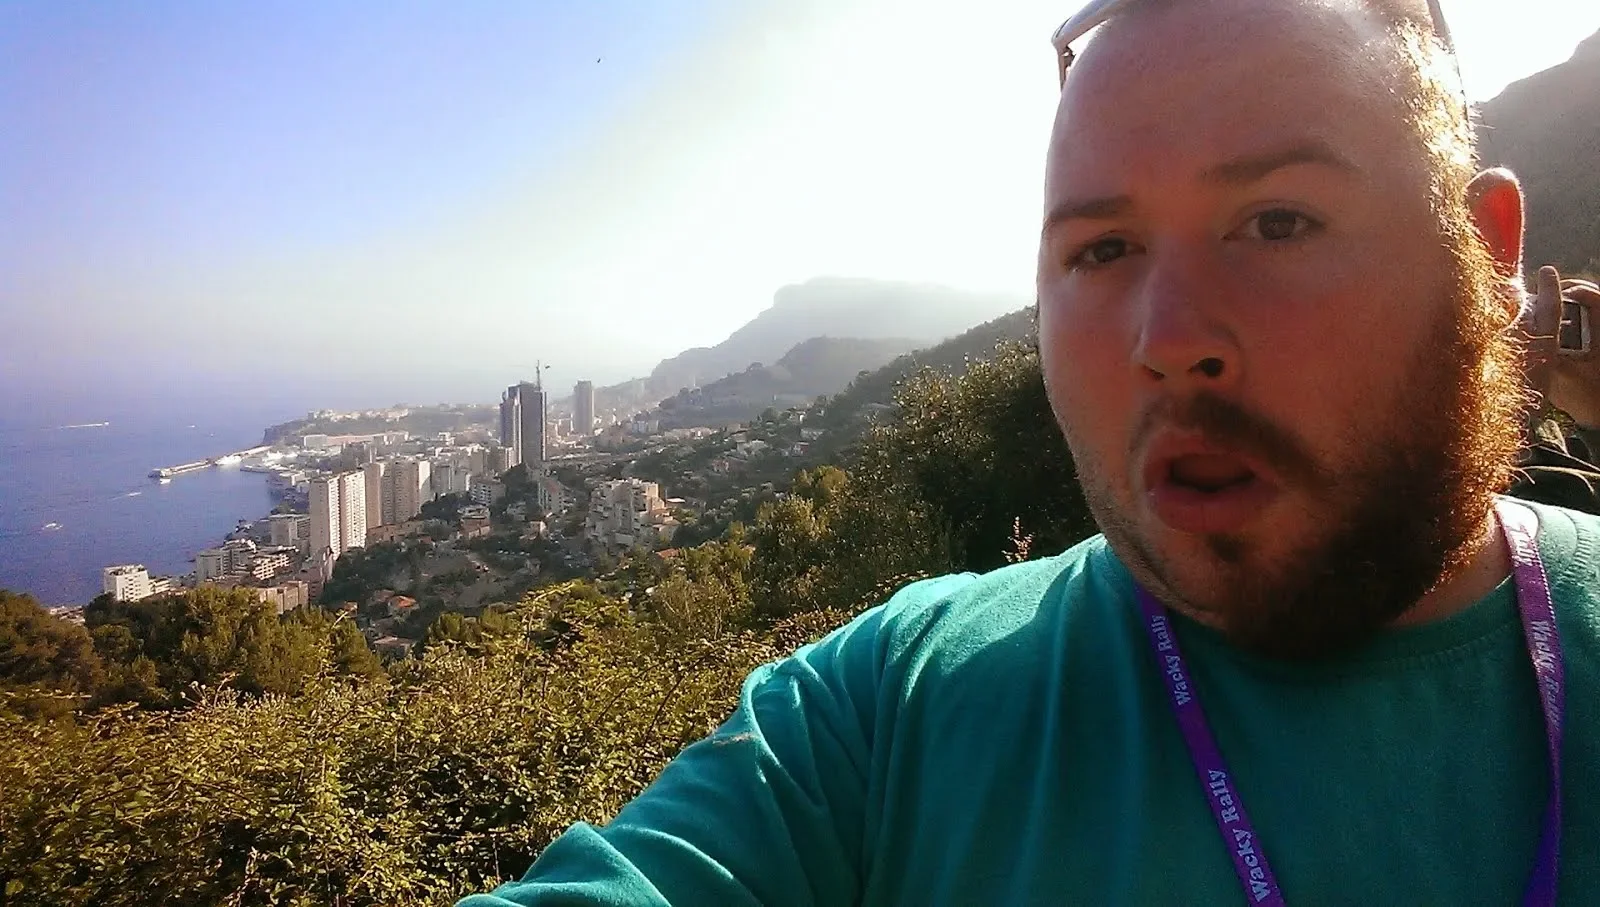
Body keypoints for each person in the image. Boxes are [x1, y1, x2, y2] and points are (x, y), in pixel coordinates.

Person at [461, 0, 1600, 902]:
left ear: (1488, 253)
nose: (1168, 339)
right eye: (1102, 249)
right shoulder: (888, 712)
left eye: (1277, 221)